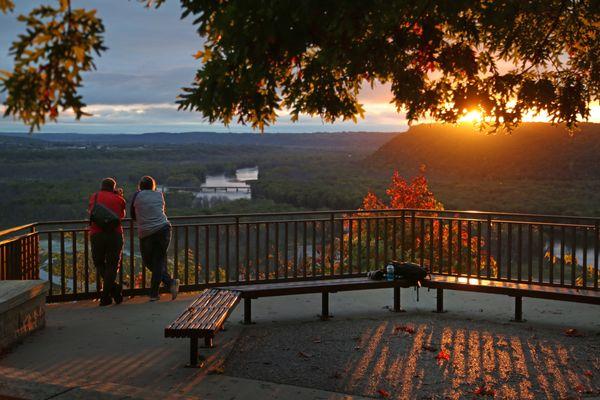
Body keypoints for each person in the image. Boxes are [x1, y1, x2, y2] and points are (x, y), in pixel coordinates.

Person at [131, 176, 179, 301]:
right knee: (156, 262)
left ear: (140, 186)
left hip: (147, 232)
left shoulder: (137, 195)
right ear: (153, 185)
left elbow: (133, 215)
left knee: (150, 262)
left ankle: (154, 293)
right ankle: (169, 283)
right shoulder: (159, 195)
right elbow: (160, 210)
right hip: (163, 229)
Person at [88, 177, 126, 306]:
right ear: (113, 187)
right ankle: (112, 292)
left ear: (102, 186)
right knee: (112, 264)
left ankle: (110, 294)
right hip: (115, 235)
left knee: (98, 262)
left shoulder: (95, 196)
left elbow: (91, 211)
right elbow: (121, 215)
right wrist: (118, 195)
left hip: (97, 233)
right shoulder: (119, 199)